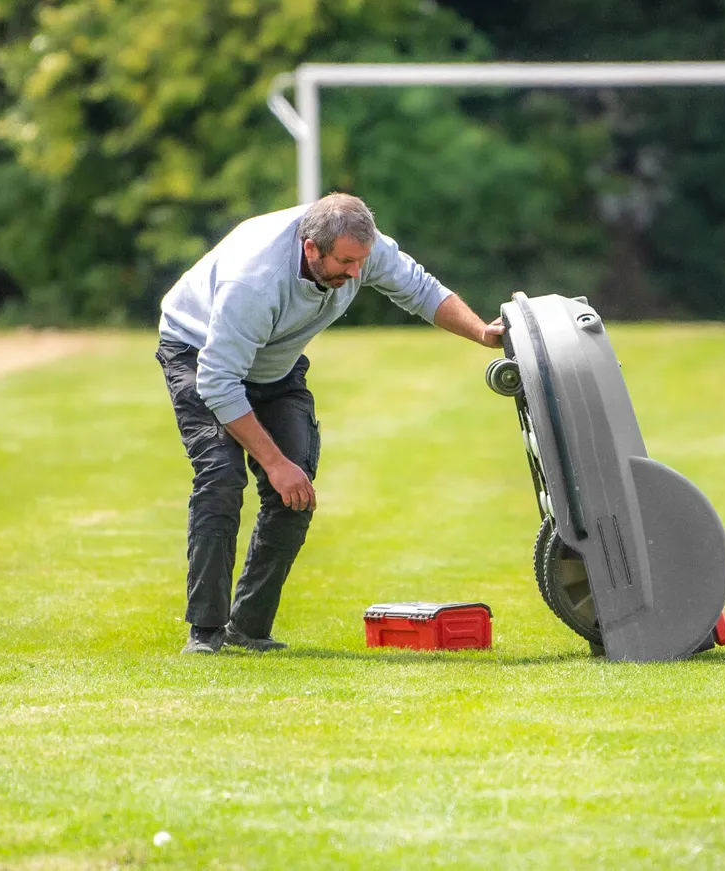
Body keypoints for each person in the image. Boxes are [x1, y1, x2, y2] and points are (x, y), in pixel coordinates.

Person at [156, 193, 504, 654]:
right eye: (345, 262)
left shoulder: (361, 248)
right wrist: (275, 463)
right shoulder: (255, 281)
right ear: (311, 249)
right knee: (222, 478)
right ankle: (206, 632)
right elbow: (219, 382)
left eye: (362, 261)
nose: (356, 274)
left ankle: (249, 628)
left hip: (274, 363)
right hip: (199, 352)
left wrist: (481, 332)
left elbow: (420, 289)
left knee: (296, 493)